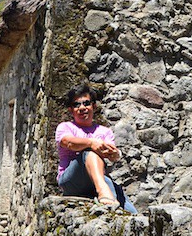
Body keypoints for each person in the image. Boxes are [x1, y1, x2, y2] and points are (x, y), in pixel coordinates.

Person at [56, 84, 137, 214]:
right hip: (71, 181)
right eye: (77, 105)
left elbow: (113, 155)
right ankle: (104, 193)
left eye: (86, 103)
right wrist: (91, 143)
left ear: (93, 106)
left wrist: (115, 154)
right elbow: (67, 142)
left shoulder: (104, 131)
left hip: (97, 179)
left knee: (129, 210)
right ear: (71, 110)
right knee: (89, 152)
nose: (82, 108)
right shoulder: (65, 127)